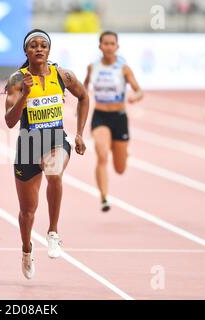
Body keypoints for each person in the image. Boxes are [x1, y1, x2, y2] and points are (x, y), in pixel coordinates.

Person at [4, 29, 89, 279]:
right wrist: (25, 96)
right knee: (27, 212)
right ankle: (27, 250)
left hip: (55, 140)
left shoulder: (63, 75)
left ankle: (53, 233)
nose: (39, 49)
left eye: (43, 45)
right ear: (26, 51)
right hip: (28, 144)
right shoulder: (17, 80)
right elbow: (9, 121)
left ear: (49, 50)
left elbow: (84, 97)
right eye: (33, 45)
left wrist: (80, 133)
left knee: (54, 173)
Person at [83, 31, 143, 212]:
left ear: (117, 47)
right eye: (105, 43)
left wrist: (134, 97)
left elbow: (139, 90)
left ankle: (123, 153)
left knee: (120, 168)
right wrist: (80, 102)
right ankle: (104, 197)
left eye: (112, 44)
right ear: (100, 46)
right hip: (100, 116)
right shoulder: (92, 67)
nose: (109, 47)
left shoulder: (123, 68)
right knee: (101, 155)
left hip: (119, 117)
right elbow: (84, 89)